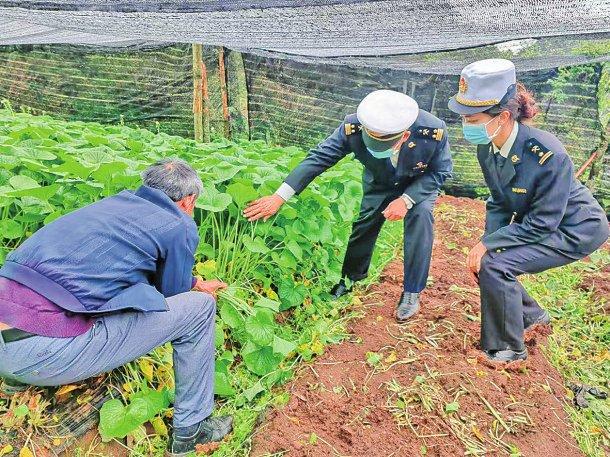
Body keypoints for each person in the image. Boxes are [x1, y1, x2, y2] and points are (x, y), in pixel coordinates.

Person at [0, 159, 232, 456]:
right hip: (37, 355)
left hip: (11, 333)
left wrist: (195, 280)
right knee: (199, 309)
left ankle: (13, 382)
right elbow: (171, 294)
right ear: (188, 201)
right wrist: (195, 289)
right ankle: (192, 430)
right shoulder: (179, 223)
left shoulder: (113, 205)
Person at [448, 58, 609, 362]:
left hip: (574, 228)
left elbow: (543, 223)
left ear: (503, 116)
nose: (466, 127)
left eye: (473, 119)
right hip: (541, 221)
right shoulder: (487, 147)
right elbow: (498, 201)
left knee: (496, 265)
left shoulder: (548, 155)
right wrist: (488, 243)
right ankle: (533, 316)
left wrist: (489, 245)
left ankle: (507, 348)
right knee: (488, 260)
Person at [244, 90, 453, 321]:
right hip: (380, 181)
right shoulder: (353, 127)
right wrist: (279, 197)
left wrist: (405, 200)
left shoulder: (432, 131)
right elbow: (319, 158)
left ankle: (412, 292)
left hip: (419, 183)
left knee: (421, 218)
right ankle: (350, 279)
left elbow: (440, 171)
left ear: (404, 137)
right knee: (365, 224)